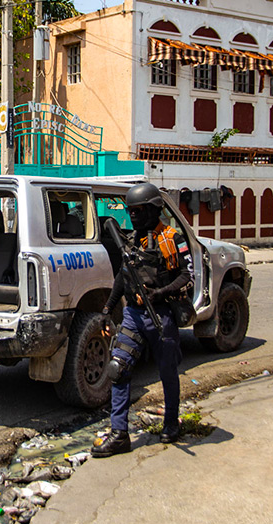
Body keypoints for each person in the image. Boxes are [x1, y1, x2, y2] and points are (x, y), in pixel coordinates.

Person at [91, 183, 194, 458]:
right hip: (133, 315)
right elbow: (123, 277)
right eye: (130, 211)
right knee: (117, 369)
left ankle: (171, 423)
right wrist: (107, 309)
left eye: (138, 211)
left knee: (168, 372)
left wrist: (159, 292)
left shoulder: (173, 238)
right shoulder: (131, 241)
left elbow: (187, 276)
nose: (133, 216)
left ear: (153, 209)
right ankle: (119, 434)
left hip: (161, 315)